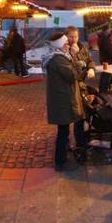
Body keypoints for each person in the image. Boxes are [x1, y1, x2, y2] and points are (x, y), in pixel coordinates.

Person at [42, 32, 85, 171]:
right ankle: (60, 161)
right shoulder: (58, 59)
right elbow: (72, 75)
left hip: (62, 98)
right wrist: (77, 61)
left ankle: (62, 157)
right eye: (66, 43)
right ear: (60, 45)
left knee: (64, 130)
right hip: (62, 100)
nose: (69, 44)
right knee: (63, 131)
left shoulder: (60, 57)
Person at [67, 26, 95, 162]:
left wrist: (91, 69)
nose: (73, 39)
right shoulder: (66, 49)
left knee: (86, 113)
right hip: (73, 87)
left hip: (83, 86)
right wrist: (73, 55)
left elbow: (90, 61)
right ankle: (78, 145)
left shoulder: (82, 46)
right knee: (77, 116)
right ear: (66, 36)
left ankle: (85, 139)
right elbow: (70, 70)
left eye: (75, 36)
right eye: (71, 36)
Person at [98, 26, 112, 93]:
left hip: (103, 58)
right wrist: (111, 56)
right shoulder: (105, 38)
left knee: (104, 73)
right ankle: (104, 89)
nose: (109, 31)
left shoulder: (101, 37)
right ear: (106, 30)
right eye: (109, 30)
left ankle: (102, 88)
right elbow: (107, 49)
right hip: (106, 58)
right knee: (106, 74)